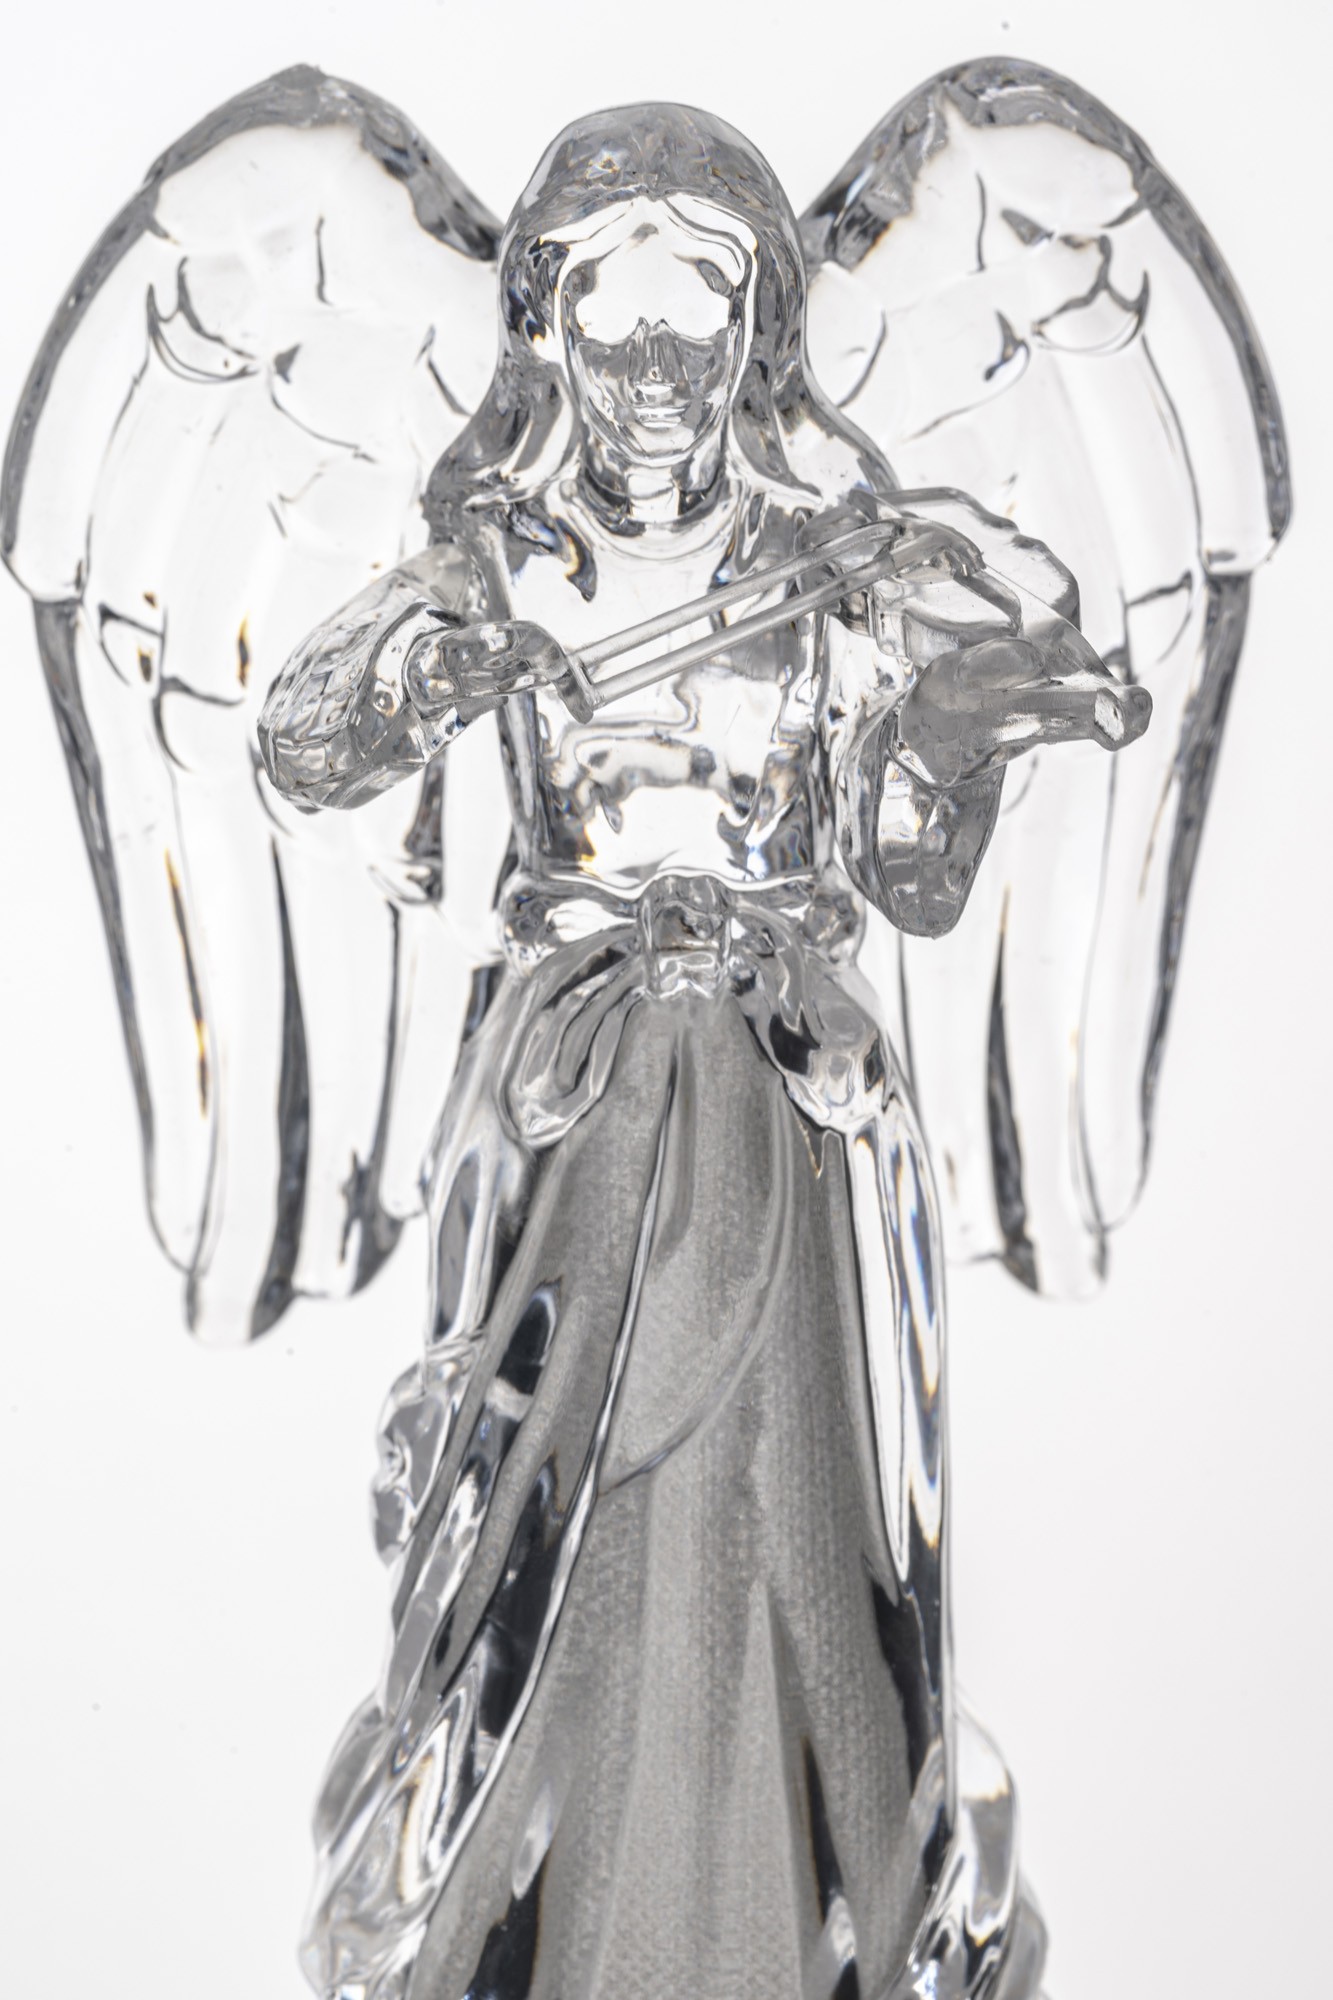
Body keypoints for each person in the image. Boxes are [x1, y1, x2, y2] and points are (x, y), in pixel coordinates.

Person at [259, 103, 1145, 2000]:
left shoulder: (839, 565)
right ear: (545, 329)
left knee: (792, 1514)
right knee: (538, 1525)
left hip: (786, 1104)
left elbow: (904, 882)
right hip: (571, 1109)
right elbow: (306, 746)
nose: (656, 367)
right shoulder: (497, 564)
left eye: (701, 319)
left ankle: (807, 1917)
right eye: (612, 318)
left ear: (759, 334)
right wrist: (430, 664)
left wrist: (962, 731)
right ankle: (527, 1926)